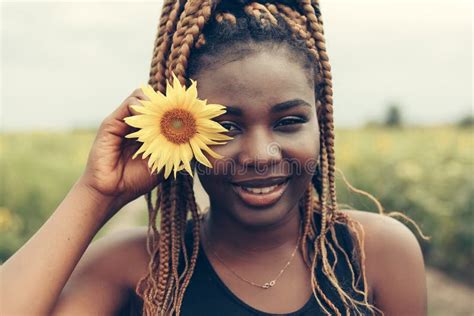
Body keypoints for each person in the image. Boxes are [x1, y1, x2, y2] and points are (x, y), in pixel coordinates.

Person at [1, 0, 427, 315]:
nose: (261, 155)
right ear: (179, 130)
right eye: (226, 127)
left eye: (289, 121)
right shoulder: (134, 268)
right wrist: (96, 193)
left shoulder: (375, 253)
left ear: (322, 119)